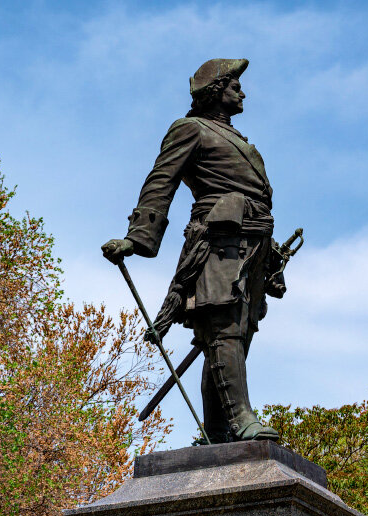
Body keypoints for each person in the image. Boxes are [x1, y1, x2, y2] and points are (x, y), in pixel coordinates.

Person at [101, 58, 284, 443]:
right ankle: (241, 420)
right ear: (217, 90)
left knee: (234, 334)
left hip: (251, 245)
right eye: (235, 85)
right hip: (218, 245)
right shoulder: (190, 129)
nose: (243, 92)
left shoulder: (237, 139)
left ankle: (218, 430)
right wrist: (137, 238)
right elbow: (161, 180)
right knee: (225, 332)